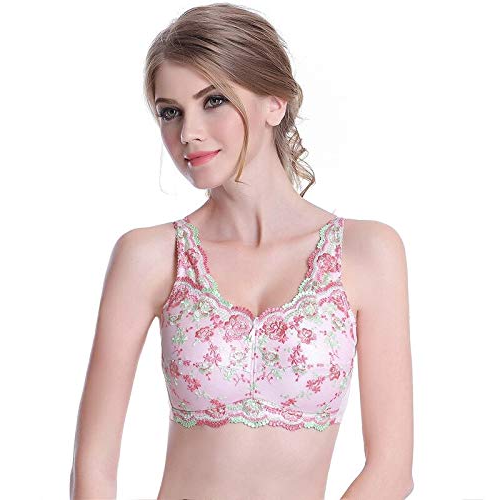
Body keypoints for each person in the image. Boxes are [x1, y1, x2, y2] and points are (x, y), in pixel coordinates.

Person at [70, 3, 414, 499]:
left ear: (275, 103)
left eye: (213, 101)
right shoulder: (149, 256)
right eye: (170, 111)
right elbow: (93, 471)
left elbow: (392, 470)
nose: (188, 132)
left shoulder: (368, 252)